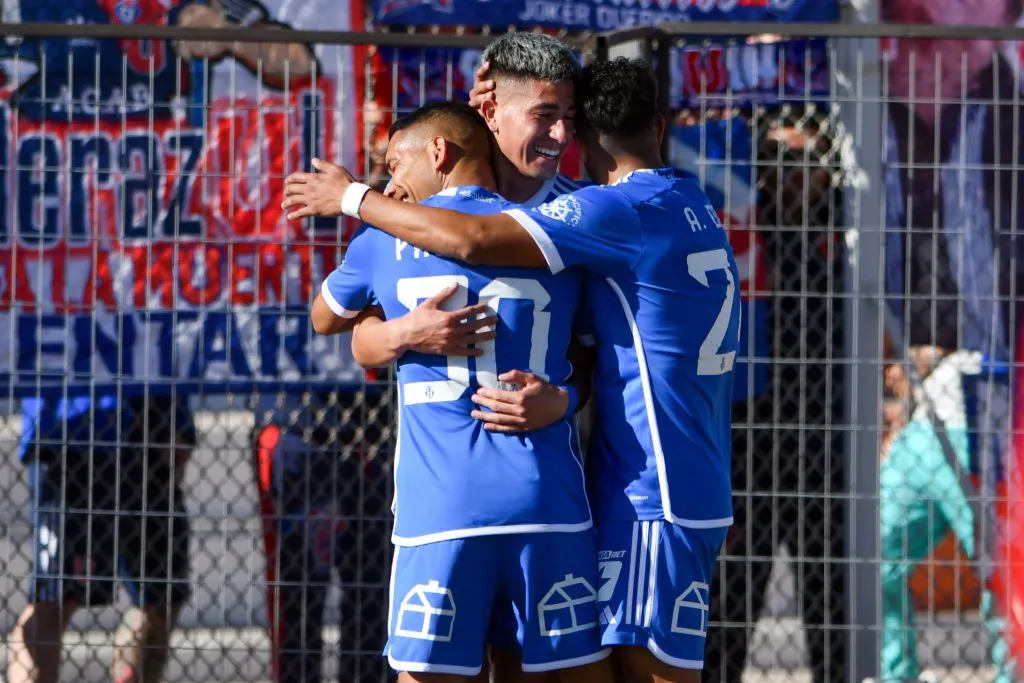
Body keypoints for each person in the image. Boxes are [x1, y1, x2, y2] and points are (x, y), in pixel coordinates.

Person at [283, 57, 741, 683]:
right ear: (491, 113)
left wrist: (354, 198)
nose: (555, 137)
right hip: (599, 497)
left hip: (605, 496)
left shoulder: (587, 213)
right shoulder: (678, 200)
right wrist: (400, 332)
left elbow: (468, 246)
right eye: (543, 116)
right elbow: (359, 338)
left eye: (566, 120)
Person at [3, 2, 315, 683]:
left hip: (150, 374)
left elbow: (302, 65)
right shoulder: (41, 16)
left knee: (162, 594)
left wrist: (221, 33)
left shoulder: (177, 13)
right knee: (56, 592)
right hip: (69, 392)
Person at [309, 99, 612, 683]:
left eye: (396, 163)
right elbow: (594, 352)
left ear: (439, 153)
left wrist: (399, 330)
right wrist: (569, 397)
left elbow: (326, 318)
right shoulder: (548, 232)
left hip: (443, 508)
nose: (391, 183)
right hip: (546, 499)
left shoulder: (380, 240)